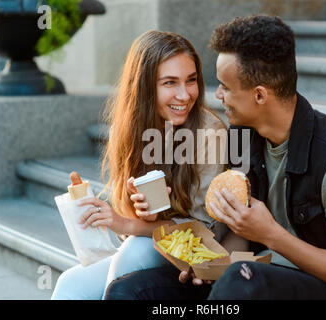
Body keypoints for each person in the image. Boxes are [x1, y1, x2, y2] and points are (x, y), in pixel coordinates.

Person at [104, 15, 326, 300]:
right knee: (132, 291)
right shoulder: (244, 140)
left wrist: (271, 235)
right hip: (254, 278)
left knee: (240, 281)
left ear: (260, 94)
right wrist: (208, 265)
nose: (217, 96)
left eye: (225, 87)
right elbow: (239, 238)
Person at [51, 30, 248, 300]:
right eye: (169, 83)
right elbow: (133, 228)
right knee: (69, 285)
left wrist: (129, 225)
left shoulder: (209, 133)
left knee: (133, 255)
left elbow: (204, 235)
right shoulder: (132, 130)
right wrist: (144, 217)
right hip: (151, 244)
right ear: (144, 86)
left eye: (191, 80)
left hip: (199, 261)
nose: (184, 95)